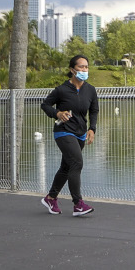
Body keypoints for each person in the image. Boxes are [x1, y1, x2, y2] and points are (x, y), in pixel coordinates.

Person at [40, 55, 98, 217]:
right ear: (72, 70)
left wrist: (92, 129)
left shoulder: (90, 90)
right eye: (81, 67)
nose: (84, 70)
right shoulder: (62, 90)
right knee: (77, 163)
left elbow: (94, 110)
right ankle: (78, 204)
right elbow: (45, 105)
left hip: (80, 133)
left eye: (86, 67)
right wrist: (57, 113)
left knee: (67, 167)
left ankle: (51, 198)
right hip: (63, 132)